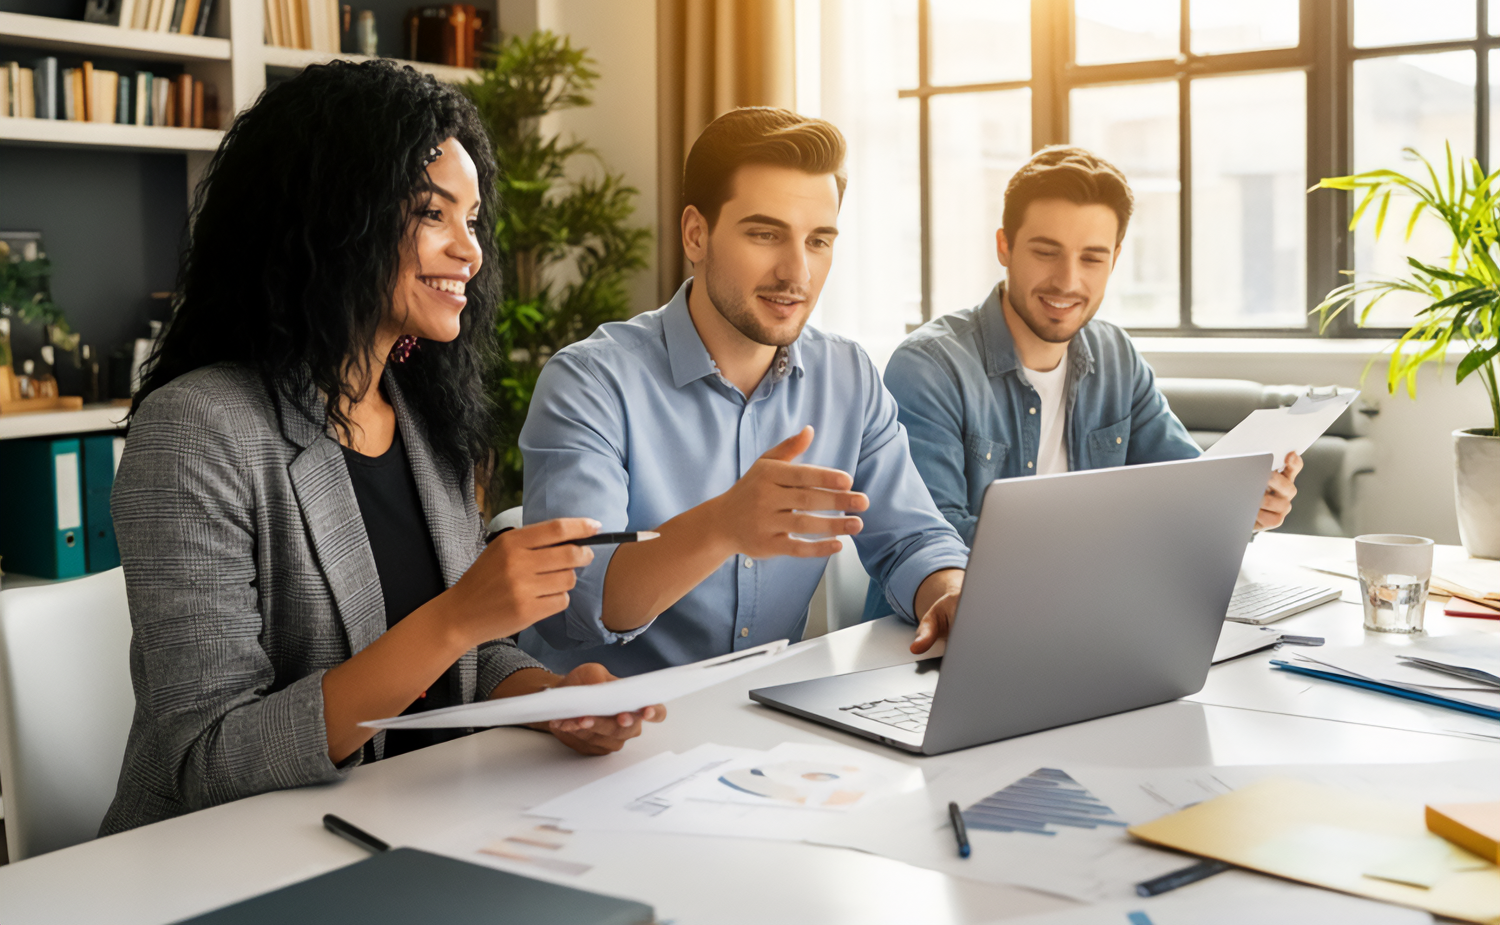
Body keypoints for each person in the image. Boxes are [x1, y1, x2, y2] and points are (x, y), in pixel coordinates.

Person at [101, 61, 662, 836]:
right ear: (335, 218)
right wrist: (457, 618)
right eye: (436, 215)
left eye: (473, 221)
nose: (471, 252)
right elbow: (211, 761)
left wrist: (554, 700)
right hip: (229, 862)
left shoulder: (424, 416)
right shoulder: (198, 432)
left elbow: (467, 661)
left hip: (413, 823)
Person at [517, 107, 970, 677]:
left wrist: (947, 593)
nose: (797, 273)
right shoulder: (589, 383)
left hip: (767, 725)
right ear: (695, 233)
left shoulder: (848, 376)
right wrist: (723, 525)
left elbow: (913, 541)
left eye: (819, 240)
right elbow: (573, 607)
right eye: (765, 234)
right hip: (603, 737)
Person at [864, 145, 1302, 620]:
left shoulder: (1115, 355)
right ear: (1004, 246)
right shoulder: (930, 366)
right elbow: (936, 538)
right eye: (1046, 252)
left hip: (1089, 615)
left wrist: (1240, 509)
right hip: (946, 633)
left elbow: (1189, 495)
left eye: (1091, 258)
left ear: (1114, 259)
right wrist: (1116, 540)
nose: (1067, 281)